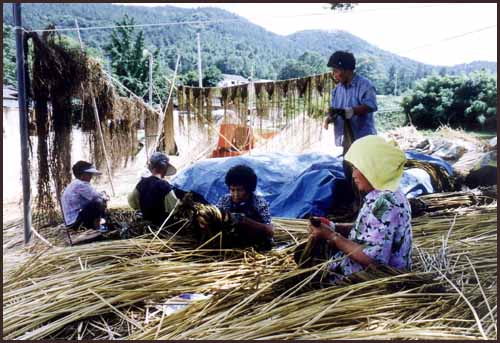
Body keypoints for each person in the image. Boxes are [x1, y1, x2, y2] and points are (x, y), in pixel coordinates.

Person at [297, 135, 412, 284]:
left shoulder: (385, 203)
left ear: (373, 169)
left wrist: (332, 236)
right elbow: (372, 230)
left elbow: (372, 260)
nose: (353, 175)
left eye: (357, 168)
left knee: (308, 276)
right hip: (366, 272)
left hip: (373, 280)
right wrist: (333, 226)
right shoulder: (386, 193)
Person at [323, 50, 378, 209]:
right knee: (348, 170)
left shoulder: (364, 85)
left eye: (336, 70)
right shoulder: (337, 90)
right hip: (347, 139)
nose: (334, 74)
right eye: (333, 71)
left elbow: (371, 106)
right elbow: (334, 109)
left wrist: (352, 111)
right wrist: (330, 117)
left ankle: (369, 203)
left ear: (347, 70)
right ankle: (356, 201)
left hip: (363, 138)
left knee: (364, 171)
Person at [216, 164, 274, 249]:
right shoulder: (225, 200)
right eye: (232, 190)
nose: (235, 194)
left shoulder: (258, 202)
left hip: (256, 246)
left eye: (240, 190)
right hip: (232, 245)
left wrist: (245, 221)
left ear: (249, 189)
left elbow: (270, 231)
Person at [128, 152, 179, 226]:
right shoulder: (165, 186)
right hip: (163, 227)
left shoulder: (142, 183)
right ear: (164, 169)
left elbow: (132, 202)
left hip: (146, 225)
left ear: (151, 168)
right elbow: (174, 209)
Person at [61, 161, 109, 232]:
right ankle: (98, 227)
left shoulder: (75, 184)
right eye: (89, 174)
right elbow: (96, 196)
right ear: (82, 175)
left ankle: (101, 224)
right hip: (75, 222)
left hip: (71, 221)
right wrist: (105, 197)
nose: (91, 177)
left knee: (98, 201)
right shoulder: (80, 184)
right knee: (98, 202)